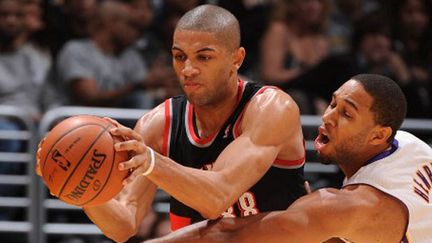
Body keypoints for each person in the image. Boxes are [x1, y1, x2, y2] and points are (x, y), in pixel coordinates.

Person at [36, 4, 306, 242]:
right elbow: (124, 226)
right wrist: (80, 187)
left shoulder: (270, 108)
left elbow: (218, 196)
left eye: (204, 57)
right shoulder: (158, 124)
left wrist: (153, 162)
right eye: (180, 57)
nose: (188, 69)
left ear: (236, 58)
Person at [147, 74, 432, 243]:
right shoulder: (406, 143)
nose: (328, 116)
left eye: (347, 114)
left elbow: (231, 235)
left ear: (378, 136)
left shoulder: (352, 206)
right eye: (333, 103)